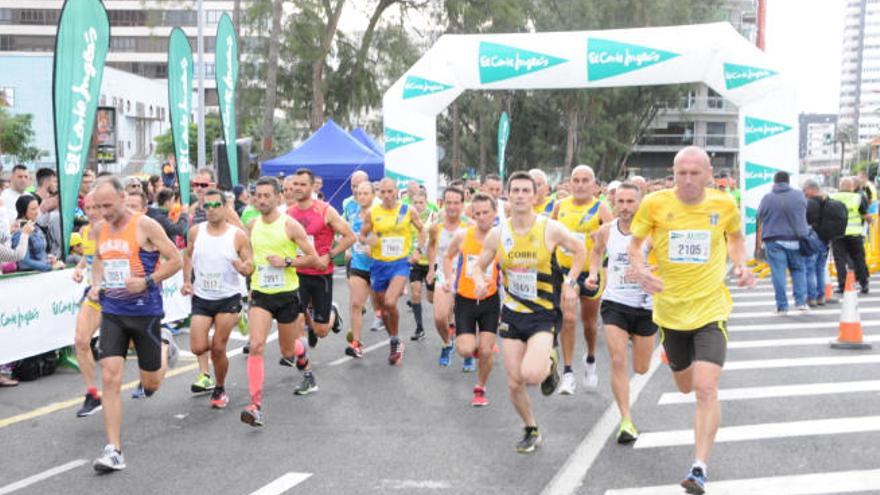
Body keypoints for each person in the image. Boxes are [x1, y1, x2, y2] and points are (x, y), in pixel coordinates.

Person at [628, 146, 753, 494]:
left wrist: (741, 265)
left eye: (695, 173)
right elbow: (635, 246)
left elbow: (736, 240)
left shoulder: (724, 205)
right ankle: (686, 375)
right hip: (670, 312)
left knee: (705, 387)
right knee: (684, 385)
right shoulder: (655, 205)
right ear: (673, 173)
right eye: (681, 173)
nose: (687, 180)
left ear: (709, 174)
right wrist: (640, 271)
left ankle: (699, 466)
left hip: (711, 309)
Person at [472, 171, 585, 453]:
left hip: (543, 313)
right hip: (511, 313)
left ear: (535, 196)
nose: (520, 195)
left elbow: (580, 249)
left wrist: (571, 282)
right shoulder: (499, 233)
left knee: (532, 375)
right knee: (513, 382)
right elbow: (479, 264)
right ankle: (531, 428)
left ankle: (550, 359)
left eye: (525, 191)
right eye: (515, 191)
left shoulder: (550, 228)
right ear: (507, 196)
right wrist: (478, 279)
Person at [88, 176, 183, 472]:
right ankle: (114, 449)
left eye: (108, 205)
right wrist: (95, 284)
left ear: (121, 197)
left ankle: (165, 343)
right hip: (113, 310)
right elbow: (99, 260)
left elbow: (175, 260)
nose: (104, 211)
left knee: (152, 383)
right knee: (110, 376)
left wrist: (146, 281)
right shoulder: (99, 229)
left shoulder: (145, 225)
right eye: (98, 206)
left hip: (145, 311)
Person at [241, 177, 319, 427]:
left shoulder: (291, 225)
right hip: (261, 294)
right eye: (258, 196)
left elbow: (312, 257)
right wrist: (245, 267)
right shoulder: (251, 225)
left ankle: (304, 360)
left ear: (278, 198)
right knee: (256, 346)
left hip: (287, 294)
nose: (262, 200)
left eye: (267, 196)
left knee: (288, 350)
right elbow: (250, 260)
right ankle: (255, 406)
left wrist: (286, 262)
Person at [584, 182, 655, 443]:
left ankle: (634, 343)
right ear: (614, 203)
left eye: (630, 202)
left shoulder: (652, 233)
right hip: (615, 302)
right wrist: (593, 274)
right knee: (617, 360)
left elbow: (664, 266)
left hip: (645, 305)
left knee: (641, 366)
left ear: (640, 203)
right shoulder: (606, 231)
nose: (624, 207)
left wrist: (646, 272)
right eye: (620, 202)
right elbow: (596, 252)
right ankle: (626, 420)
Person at [181, 189, 252, 408]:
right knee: (197, 347)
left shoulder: (237, 235)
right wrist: (187, 281)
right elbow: (187, 255)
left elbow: (250, 264)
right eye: (207, 206)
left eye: (215, 205)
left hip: (227, 297)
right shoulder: (195, 231)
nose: (211, 210)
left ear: (224, 207)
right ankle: (211, 374)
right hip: (202, 296)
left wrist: (244, 268)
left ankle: (220, 388)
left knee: (218, 348)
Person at [551, 165, 612, 394]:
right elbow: (549, 235)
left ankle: (590, 359)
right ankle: (568, 373)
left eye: (585, 180)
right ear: (569, 183)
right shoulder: (560, 206)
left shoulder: (601, 208)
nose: (580, 184)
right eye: (576, 180)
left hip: (590, 274)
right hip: (565, 270)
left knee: (588, 323)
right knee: (567, 316)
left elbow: (612, 241)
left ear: (594, 185)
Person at [287, 168, 355, 358]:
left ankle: (332, 310)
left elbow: (350, 237)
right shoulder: (288, 213)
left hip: (320, 274)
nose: (298, 188)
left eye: (302, 184)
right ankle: (303, 364)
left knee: (321, 331)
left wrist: (330, 255)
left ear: (311, 187)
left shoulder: (325, 210)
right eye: (295, 184)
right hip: (297, 273)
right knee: (296, 320)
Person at [442, 193, 501, 406]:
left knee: (486, 349)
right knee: (466, 349)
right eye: (478, 213)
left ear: (495, 213)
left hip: (490, 300)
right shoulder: (463, 236)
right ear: (472, 214)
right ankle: (478, 351)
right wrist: (449, 278)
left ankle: (480, 388)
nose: (482, 217)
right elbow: (447, 256)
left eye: (486, 212)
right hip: (465, 299)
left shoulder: (502, 238)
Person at [359, 177, 425, 365]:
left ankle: (395, 341)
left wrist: (417, 251)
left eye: (390, 191)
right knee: (383, 309)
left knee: (389, 302)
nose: (387, 195)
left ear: (397, 192)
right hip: (379, 264)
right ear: (379, 193)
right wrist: (368, 242)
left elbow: (422, 231)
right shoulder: (373, 212)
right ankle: (394, 339)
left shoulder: (407, 210)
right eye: (383, 192)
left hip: (400, 263)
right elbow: (363, 235)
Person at [427, 187, 470, 368]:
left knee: (467, 317)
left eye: (456, 203)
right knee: (439, 317)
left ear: (462, 204)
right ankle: (447, 343)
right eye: (448, 202)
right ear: (443, 203)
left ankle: (469, 352)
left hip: (466, 275)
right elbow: (431, 246)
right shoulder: (436, 226)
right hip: (444, 274)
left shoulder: (470, 226)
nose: (452, 207)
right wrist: (430, 269)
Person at [756, 171, 809, 313]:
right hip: (796, 239)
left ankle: (782, 306)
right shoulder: (799, 195)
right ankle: (801, 302)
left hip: (774, 240)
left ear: (775, 182)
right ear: (788, 181)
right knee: (798, 270)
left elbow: (759, 215)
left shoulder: (768, 198)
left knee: (778, 273)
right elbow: (804, 211)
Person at [72, 192, 104, 417]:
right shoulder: (84, 231)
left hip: (118, 296)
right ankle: (93, 393)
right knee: (81, 341)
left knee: (135, 345)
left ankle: (161, 343)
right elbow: (90, 256)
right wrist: (80, 267)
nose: (91, 212)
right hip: (94, 296)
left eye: (96, 208)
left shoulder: (113, 230)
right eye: (88, 208)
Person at [343, 181, 378, 358]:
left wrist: (373, 247)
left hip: (379, 267)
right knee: (356, 304)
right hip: (358, 265)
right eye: (359, 193)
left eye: (365, 193)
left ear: (373, 195)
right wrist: (348, 248)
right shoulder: (354, 214)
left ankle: (394, 339)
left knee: (383, 309)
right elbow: (347, 234)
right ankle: (355, 343)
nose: (361, 196)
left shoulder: (380, 215)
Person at [831, 177, 870, 294]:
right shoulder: (858, 198)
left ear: (840, 186)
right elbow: (865, 214)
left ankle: (842, 285)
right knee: (859, 259)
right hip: (854, 234)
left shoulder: (833, 198)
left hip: (838, 234)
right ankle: (864, 284)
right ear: (852, 187)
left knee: (840, 260)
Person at [12, 195, 64, 272]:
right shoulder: (19, 233)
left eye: (37, 208)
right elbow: (24, 263)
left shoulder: (37, 228)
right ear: (23, 211)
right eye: (33, 209)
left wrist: (48, 258)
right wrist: (49, 267)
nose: (37, 212)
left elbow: (39, 254)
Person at [407, 190, 431, 341]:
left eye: (421, 202)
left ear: (426, 202)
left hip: (431, 262)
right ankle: (419, 327)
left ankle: (450, 322)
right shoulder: (407, 217)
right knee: (415, 294)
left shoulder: (433, 216)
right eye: (415, 203)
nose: (418, 205)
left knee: (432, 298)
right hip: (415, 262)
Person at [802, 180, 831, 306]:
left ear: (811, 190)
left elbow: (804, 221)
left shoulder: (809, 203)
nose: (803, 193)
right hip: (825, 240)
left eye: (804, 190)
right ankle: (821, 296)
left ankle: (811, 297)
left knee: (810, 269)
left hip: (813, 239)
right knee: (820, 269)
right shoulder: (828, 202)